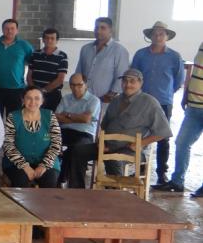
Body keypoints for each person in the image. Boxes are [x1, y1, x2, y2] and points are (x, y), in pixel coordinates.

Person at [67, 69, 172, 187]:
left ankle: (115, 197)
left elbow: (163, 132)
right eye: (125, 81)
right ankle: (77, 191)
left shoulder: (149, 103)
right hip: (107, 146)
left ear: (140, 83)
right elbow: (104, 125)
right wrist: (101, 142)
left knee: (113, 160)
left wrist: (139, 144)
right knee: (77, 151)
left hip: (130, 149)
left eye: (132, 81)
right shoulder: (116, 100)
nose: (128, 85)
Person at [132, 21, 184, 186]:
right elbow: (134, 75)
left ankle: (162, 174)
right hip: (142, 101)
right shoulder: (140, 54)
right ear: (150, 36)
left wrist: (166, 92)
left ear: (167, 37)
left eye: (162, 33)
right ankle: (139, 169)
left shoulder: (175, 57)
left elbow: (178, 81)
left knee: (162, 137)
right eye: (155, 33)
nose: (158, 36)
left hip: (164, 102)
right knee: (139, 134)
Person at [158, 40, 203, 196]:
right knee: (182, 142)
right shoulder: (202, 45)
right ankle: (177, 182)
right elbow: (196, 72)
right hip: (194, 106)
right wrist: (186, 94)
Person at [2, 86, 63, 188]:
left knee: (50, 180)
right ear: (23, 100)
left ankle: (44, 204)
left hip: (47, 162)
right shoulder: (13, 116)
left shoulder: (50, 116)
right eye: (28, 98)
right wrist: (24, 166)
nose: (32, 102)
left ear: (42, 101)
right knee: (21, 180)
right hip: (16, 162)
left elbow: (56, 143)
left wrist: (44, 165)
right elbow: (8, 145)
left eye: (37, 98)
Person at [55, 73, 101, 187]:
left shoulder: (93, 100)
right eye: (72, 85)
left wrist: (68, 116)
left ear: (86, 85)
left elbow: (86, 119)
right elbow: (56, 116)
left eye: (79, 85)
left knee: (77, 149)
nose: (76, 88)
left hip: (85, 134)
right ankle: (53, 179)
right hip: (64, 131)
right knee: (48, 142)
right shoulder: (66, 98)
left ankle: (74, 186)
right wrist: (77, 118)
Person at [0, 19, 33, 115]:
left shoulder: (24, 45)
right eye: (6, 28)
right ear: (2, 30)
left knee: (13, 120)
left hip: (16, 90)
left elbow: (33, 62)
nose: (9, 31)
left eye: (12, 28)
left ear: (17, 30)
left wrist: (29, 81)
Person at [74, 17, 130, 104]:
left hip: (105, 101)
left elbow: (121, 77)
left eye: (103, 28)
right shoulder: (85, 49)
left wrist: (110, 95)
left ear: (110, 30)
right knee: (80, 117)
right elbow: (79, 72)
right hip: (83, 98)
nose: (98, 31)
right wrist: (76, 90)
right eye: (96, 28)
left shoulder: (119, 51)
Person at [27, 28, 68, 111]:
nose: (49, 40)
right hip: (34, 94)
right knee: (32, 119)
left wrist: (43, 90)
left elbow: (60, 79)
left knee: (49, 120)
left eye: (52, 38)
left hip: (52, 95)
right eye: (47, 38)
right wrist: (34, 90)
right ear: (43, 40)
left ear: (57, 40)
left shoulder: (62, 56)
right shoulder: (35, 54)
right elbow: (29, 75)